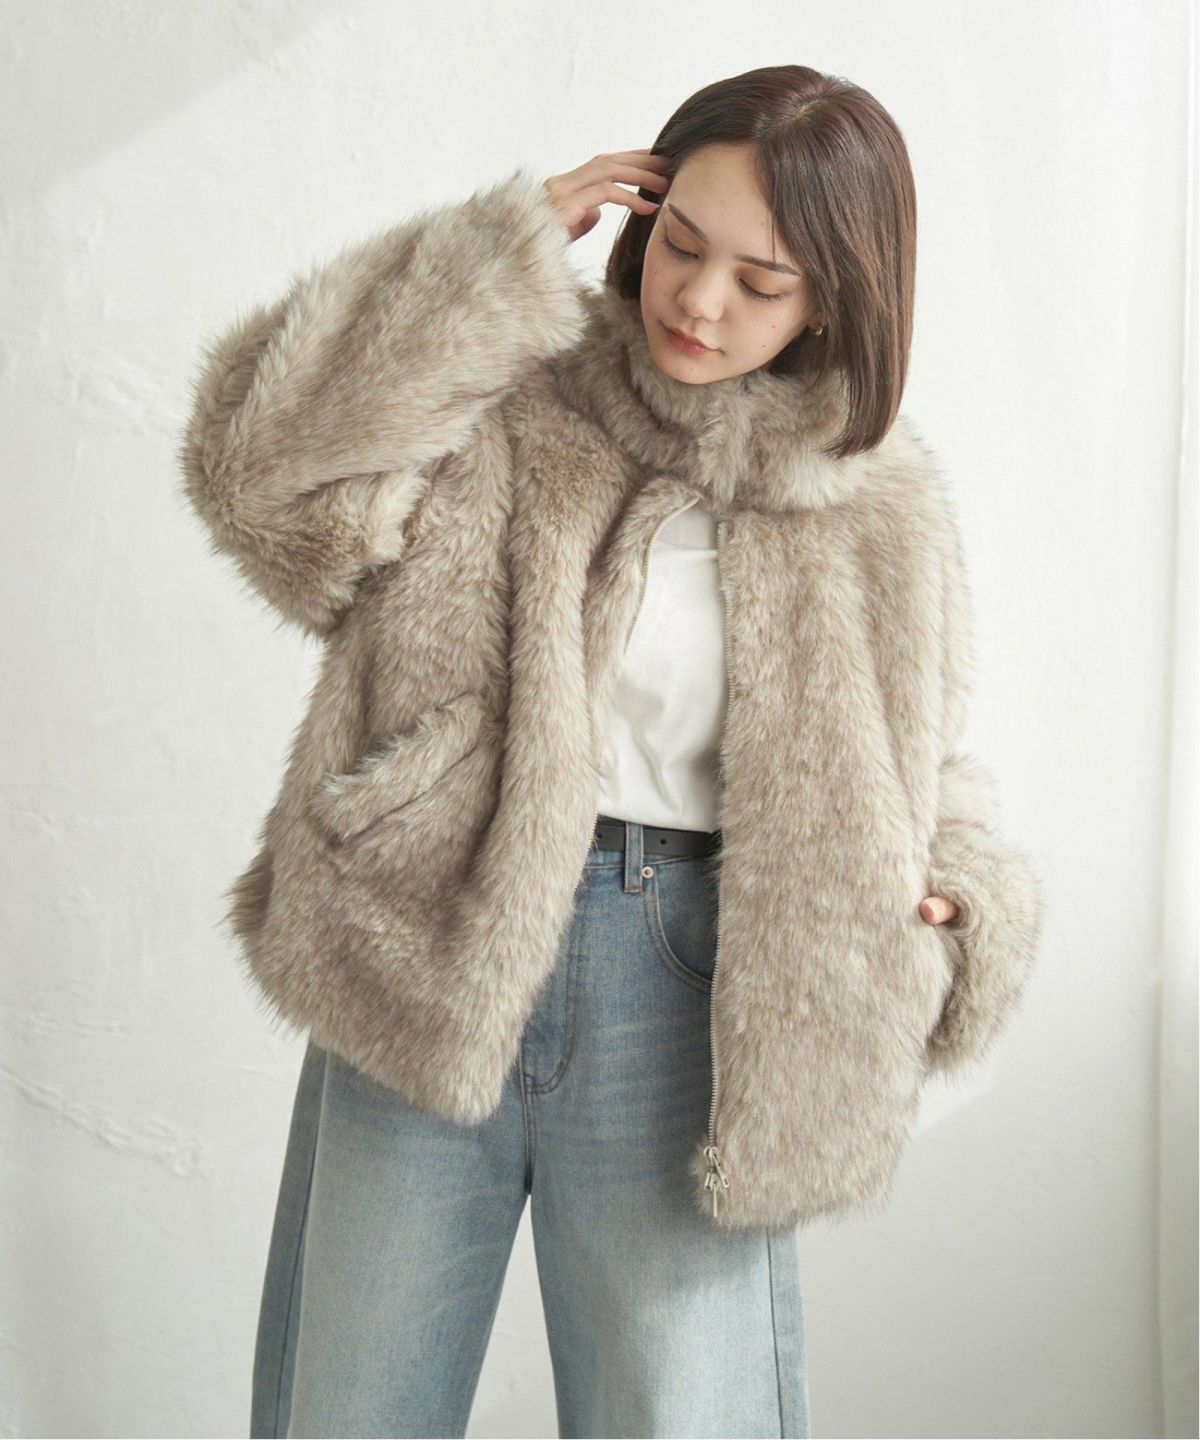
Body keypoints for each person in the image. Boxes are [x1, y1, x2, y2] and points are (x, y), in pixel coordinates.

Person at [179, 64, 1043, 1440]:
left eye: (761, 281)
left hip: (701, 988)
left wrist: (962, 890)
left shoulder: (875, 510)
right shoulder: (508, 398)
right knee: (350, 1404)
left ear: (835, 297)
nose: (699, 302)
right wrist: (494, 255)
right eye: (682, 245)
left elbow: (921, 758)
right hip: (434, 934)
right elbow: (258, 475)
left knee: (680, 1411)